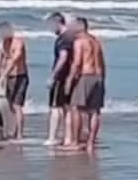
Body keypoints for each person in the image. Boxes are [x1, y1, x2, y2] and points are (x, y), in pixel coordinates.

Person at [65, 17, 106, 152]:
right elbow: (102, 62)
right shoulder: (96, 41)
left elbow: (77, 63)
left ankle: (75, 142)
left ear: (80, 27)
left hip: (86, 75)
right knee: (95, 111)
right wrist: (102, 79)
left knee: (76, 107)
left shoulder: (79, 42)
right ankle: (90, 142)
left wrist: (70, 79)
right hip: (98, 76)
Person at [0, 22, 28, 141]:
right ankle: (14, 130)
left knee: (17, 105)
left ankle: (20, 134)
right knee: (10, 106)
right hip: (8, 78)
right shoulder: (1, 45)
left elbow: (15, 60)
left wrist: (3, 75)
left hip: (20, 76)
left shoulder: (18, 43)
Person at [45, 12, 76, 146]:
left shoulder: (64, 39)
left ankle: (52, 137)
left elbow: (63, 57)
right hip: (70, 76)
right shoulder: (71, 37)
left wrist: (53, 76)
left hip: (61, 77)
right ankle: (68, 137)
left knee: (56, 107)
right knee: (67, 108)